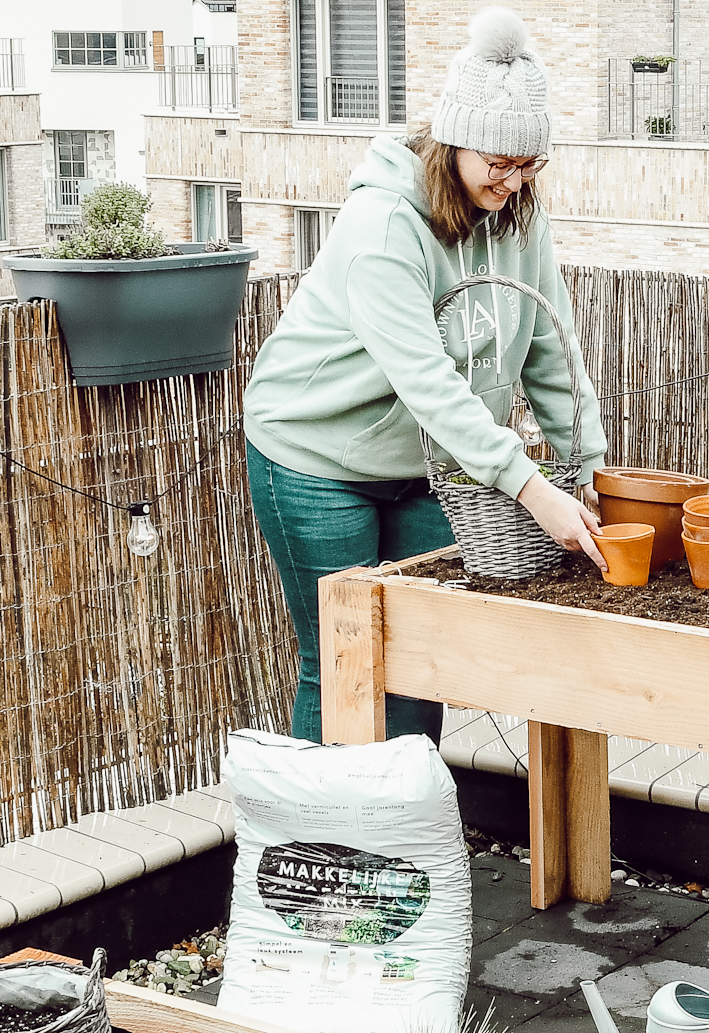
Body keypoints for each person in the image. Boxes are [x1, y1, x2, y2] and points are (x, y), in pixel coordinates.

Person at [242, 6, 606, 744]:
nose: (512, 180)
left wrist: (588, 470)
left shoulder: (520, 218)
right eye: (497, 163)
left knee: (419, 656)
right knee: (341, 657)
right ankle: (337, 844)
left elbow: (549, 349)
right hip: (315, 458)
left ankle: (405, 838)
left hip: (428, 467)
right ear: (452, 144)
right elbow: (428, 381)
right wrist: (533, 489)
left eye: (527, 163)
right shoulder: (383, 226)